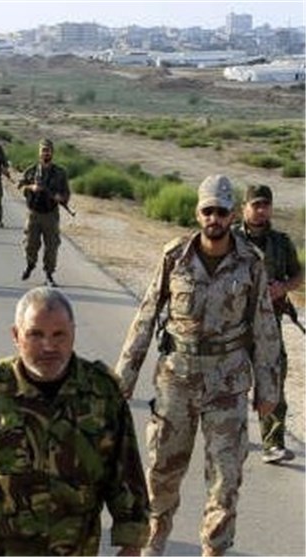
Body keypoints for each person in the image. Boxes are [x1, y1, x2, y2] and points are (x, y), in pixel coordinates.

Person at [113, 175, 281, 556]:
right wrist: (123, 378)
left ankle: (214, 550)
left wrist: (268, 389)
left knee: (226, 479)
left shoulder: (251, 263)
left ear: (232, 215)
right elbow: (146, 316)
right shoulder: (175, 257)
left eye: (221, 211)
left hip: (228, 384)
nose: (214, 219)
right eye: (208, 211)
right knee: (162, 473)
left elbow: (264, 327)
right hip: (177, 379)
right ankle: (153, 543)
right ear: (197, 213)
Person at [0, 287, 150, 556]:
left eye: (59, 334)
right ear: (16, 335)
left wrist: (132, 543)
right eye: (35, 334)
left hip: (73, 548)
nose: (49, 346)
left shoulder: (102, 393)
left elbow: (126, 471)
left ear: (73, 333)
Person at [233, 184, 303, 464]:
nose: (261, 210)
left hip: (269, 325)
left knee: (272, 380)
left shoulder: (281, 242)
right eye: (256, 205)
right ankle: (231, 435)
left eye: (265, 205)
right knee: (231, 382)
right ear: (244, 208)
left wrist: (282, 288)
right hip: (233, 324)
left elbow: (298, 275)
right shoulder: (230, 238)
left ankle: (273, 444)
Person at [17, 138, 70, 287]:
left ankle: (49, 274)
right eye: (43, 150)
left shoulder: (60, 173)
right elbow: (20, 186)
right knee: (30, 244)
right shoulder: (31, 170)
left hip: (51, 214)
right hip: (33, 213)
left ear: (52, 153)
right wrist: (31, 188)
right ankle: (30, 264)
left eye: (48, 151)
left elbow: (66, 193)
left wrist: (61, 198)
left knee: (51, 246)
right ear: (39, 152)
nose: (46, 153)